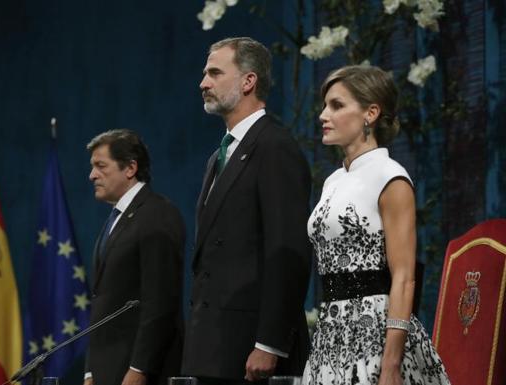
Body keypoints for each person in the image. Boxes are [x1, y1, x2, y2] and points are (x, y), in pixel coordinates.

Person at [302, 65, 450, 384]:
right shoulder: (334, 180)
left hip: (376, 336)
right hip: (331, 333)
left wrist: (391, 364)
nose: (323, 115)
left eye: (337, 105)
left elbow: (405, 277)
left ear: (370, 113)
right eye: (325, 105)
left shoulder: (390, 176)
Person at [181, 37, 312, 384]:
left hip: (250, 348)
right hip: (213, 345)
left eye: (214, 73)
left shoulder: (275, 147)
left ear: (248, 81)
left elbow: (288, 252)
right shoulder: (218, 157)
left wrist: (269, 343)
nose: (203, 83)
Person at [83, 129, 185, 385]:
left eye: (100, 166)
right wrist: (90, 371)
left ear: (130, 168)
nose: (92, 175)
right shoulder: (116, 219)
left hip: (138, 372)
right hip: (107, 369)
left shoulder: (157, 215)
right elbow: (102, 301)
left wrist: (140, 369)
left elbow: (160, 302)